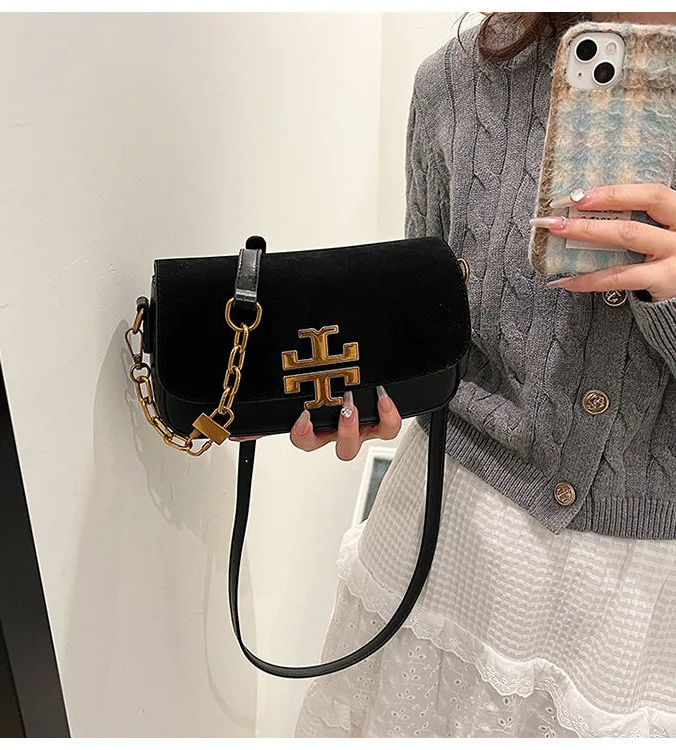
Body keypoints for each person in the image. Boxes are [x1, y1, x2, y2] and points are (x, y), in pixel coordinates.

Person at [241, 11, 676, 738]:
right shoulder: (458, 80)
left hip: (637, 616)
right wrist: (364, 392)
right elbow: (430, 327)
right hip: (446, 547)